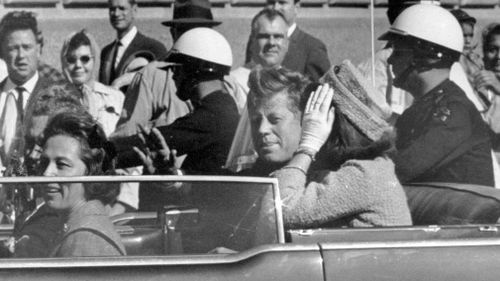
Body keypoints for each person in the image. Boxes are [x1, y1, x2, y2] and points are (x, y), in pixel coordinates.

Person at [243, 66, 411, 228]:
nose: (309, 123)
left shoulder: (366, 174)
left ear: (334, 122)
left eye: (314, 116)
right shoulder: (352, 169)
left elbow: (279, 212)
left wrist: (308, 145)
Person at [380, 4, 494, 186]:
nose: (391, 59)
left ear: (428, 56)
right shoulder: (422, 109)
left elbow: (397, 170)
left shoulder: (454, 112)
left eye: (398, 52)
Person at [130, 28, 239, 210]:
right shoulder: (224, 106)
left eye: (176, 69)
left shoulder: (212, 115)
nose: (172, 76)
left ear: (194, 69)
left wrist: (105, 150)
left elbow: (153, 141)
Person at [40, 111, 125, 257]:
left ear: (91, 172)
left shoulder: (86, 240)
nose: (46, 173)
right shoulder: (77, 227)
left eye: (61, 164)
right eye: (44, 163)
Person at [225, 8, 290, 172]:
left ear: (287, 43)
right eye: (264, 36)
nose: (272, 43)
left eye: (278, 36)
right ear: (252, 41)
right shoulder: (232, 82)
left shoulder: (294, 83)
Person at [0, 11, 52, 170]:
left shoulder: (59, 95)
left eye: (27, 47)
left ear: (39, 49)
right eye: (13, 48)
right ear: (2, 52)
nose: (21, 55)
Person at [244, 0, 330, 81]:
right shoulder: (256, 39)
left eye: (282, 2)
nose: (276, 7)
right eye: (271, 2)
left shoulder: (313, 47)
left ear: (296, 7)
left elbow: (321, 88)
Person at [61, 29, 124, 137]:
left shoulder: (115, 97)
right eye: (71, 59)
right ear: (64, 62)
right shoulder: (55, 100)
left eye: (85, 59)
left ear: (95, 61)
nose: (78, 65)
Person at [100, 0, 167, 86]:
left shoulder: (154, 48)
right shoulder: (106, 52)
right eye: (112, 9)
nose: (116, 13)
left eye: (122, 8)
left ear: (134, 10)